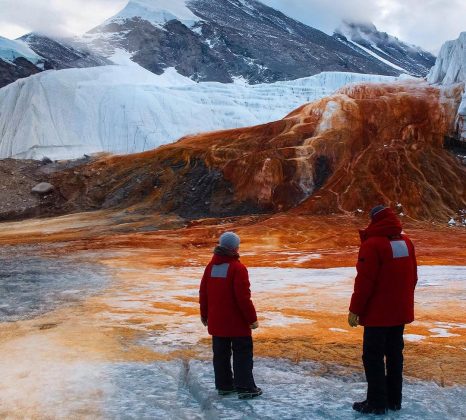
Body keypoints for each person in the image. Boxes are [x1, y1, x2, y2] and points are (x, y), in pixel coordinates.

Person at [348, 205, 417, 415]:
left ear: (374, 220)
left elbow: (365, 282)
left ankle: (376, 403)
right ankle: (394, 400)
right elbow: (413, 277)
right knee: (395, 355)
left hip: (378, 315)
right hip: (399, 313)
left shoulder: (372, 245)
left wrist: (355, 310)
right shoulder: (406, 242)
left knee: (373, 357)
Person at [199, 231, 262, 399]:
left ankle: (225, 386)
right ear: (235, 248)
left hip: (217, 322)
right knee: (242, 354)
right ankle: (246, 388)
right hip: (237, 324)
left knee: (221, 355)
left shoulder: (210, 267)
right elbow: (243, 298)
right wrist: (252, 319)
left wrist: (204, 315)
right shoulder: (237, 268)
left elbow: (203, 293)